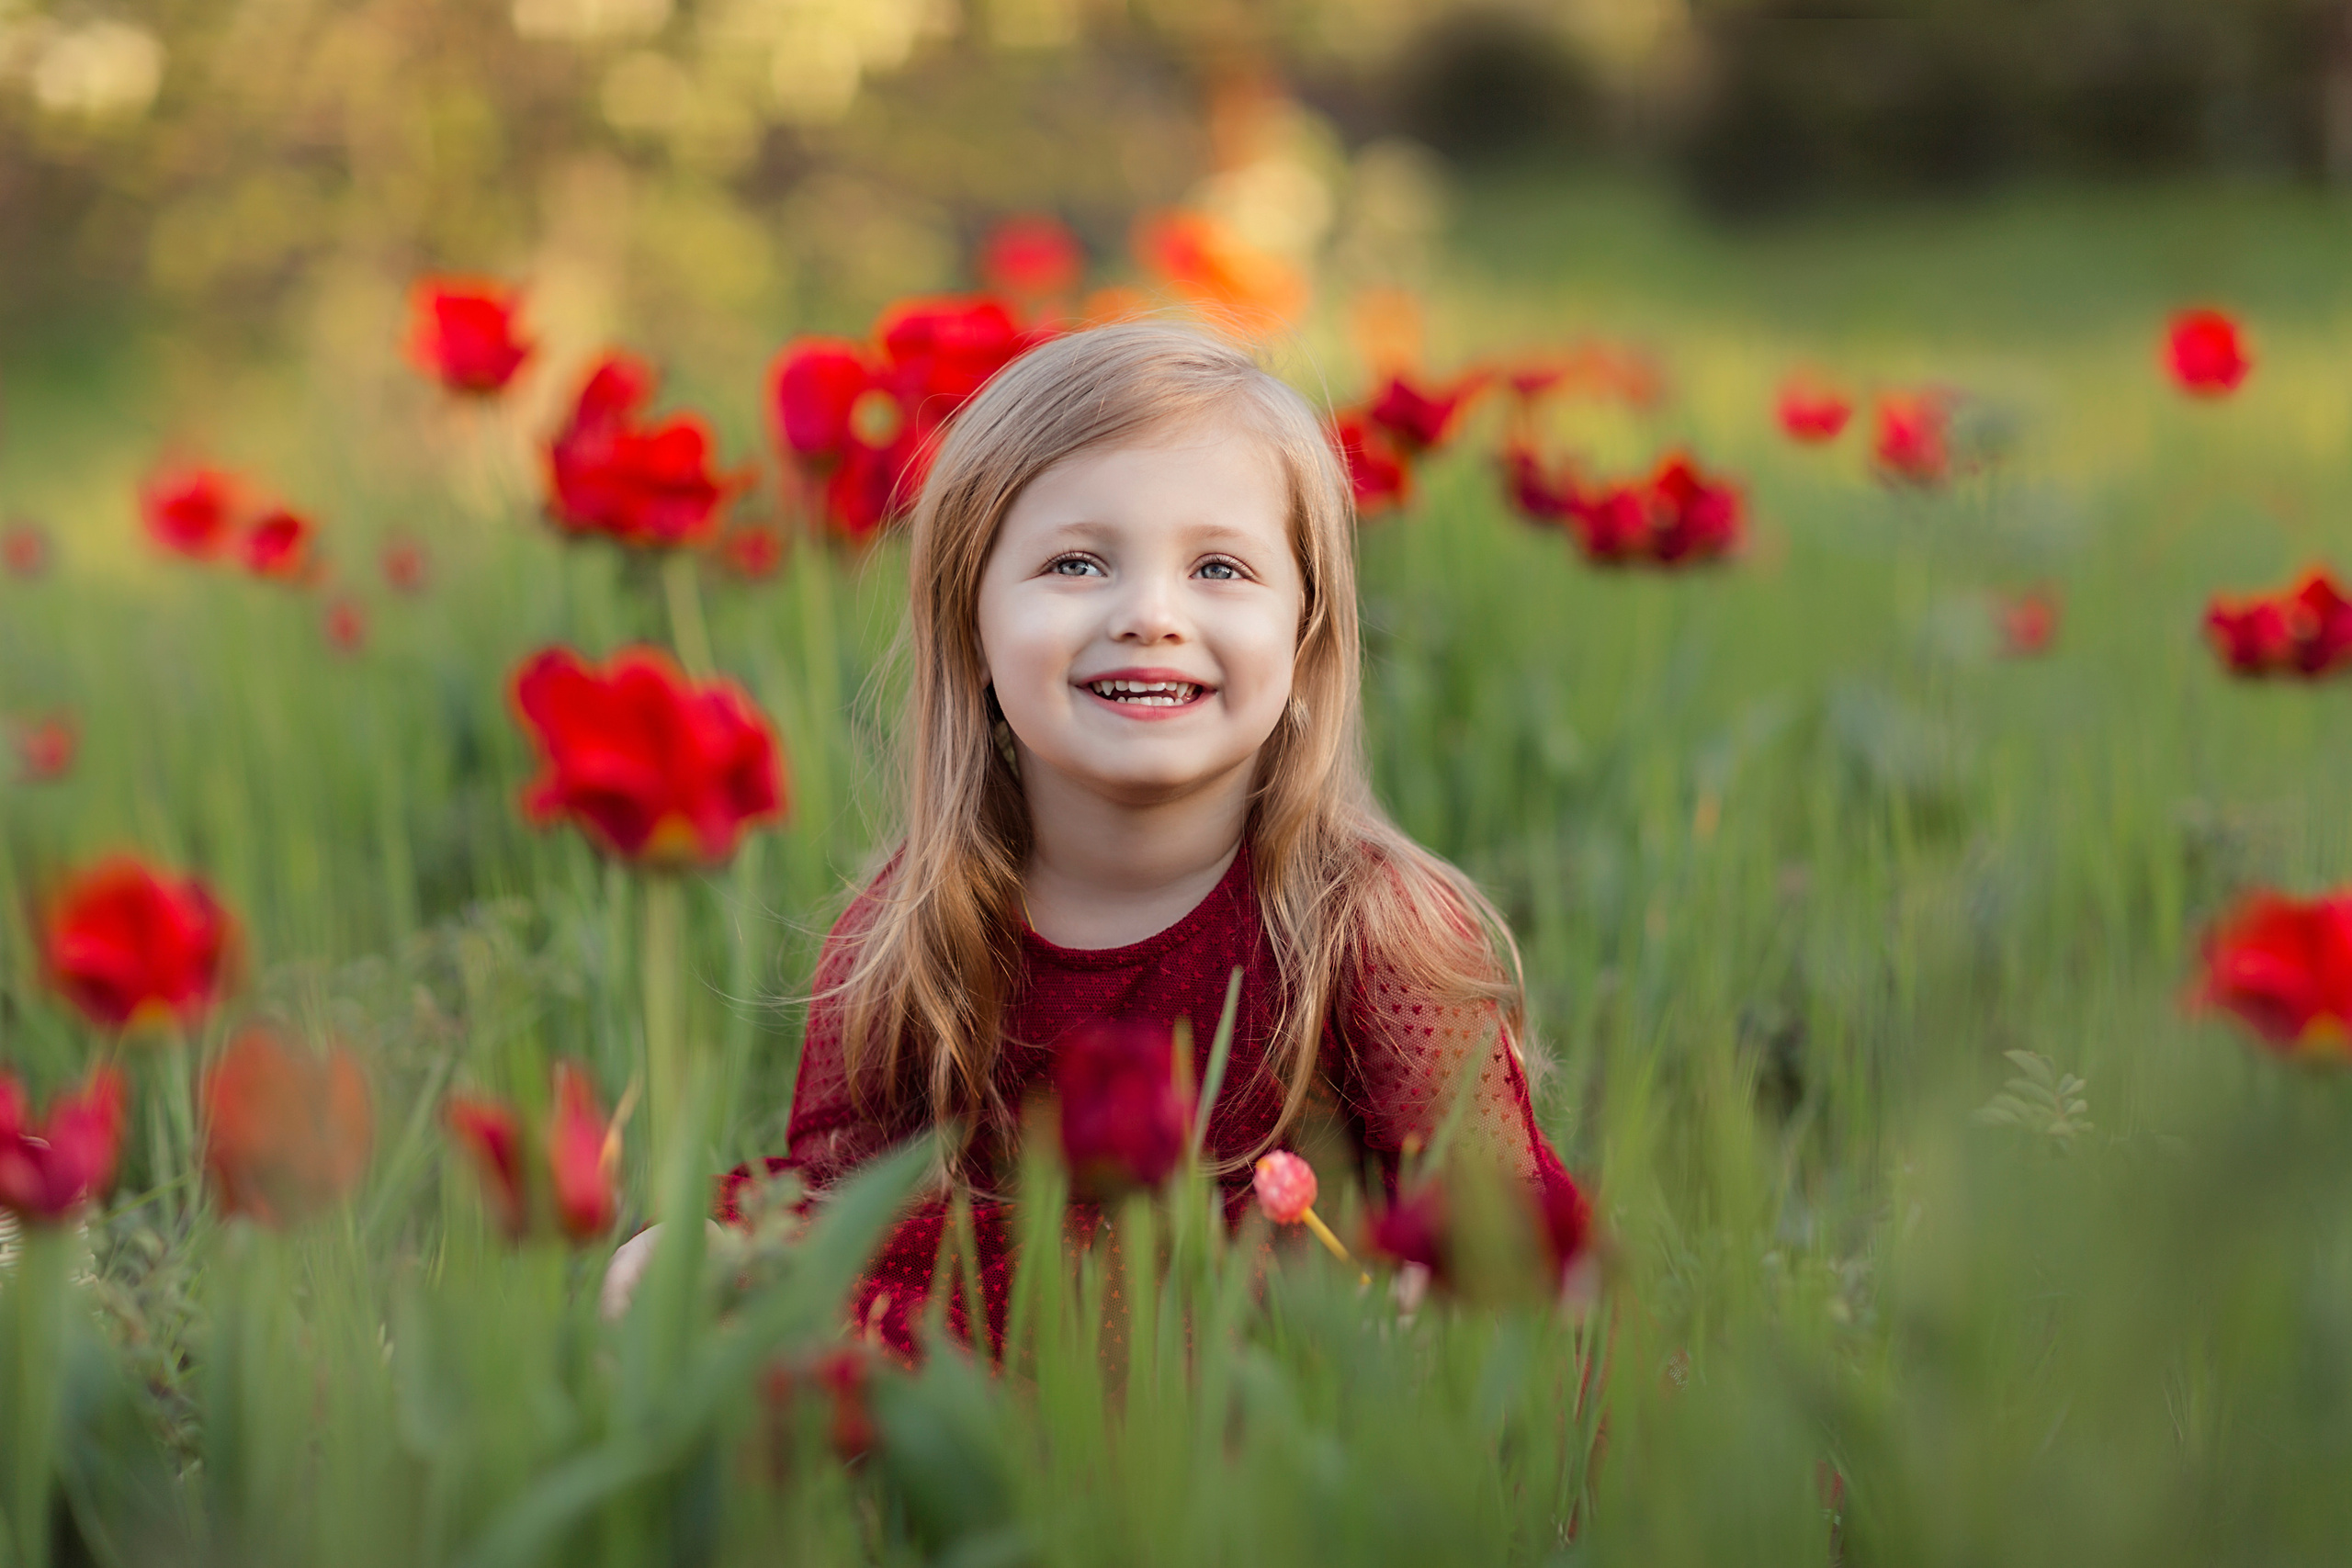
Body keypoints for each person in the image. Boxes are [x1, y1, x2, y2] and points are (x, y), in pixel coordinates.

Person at [604, 321, 1585, 1352]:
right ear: (970, 628)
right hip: (988, 1366)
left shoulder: (1369, 928)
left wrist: (1426, 1308)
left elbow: (1509, 1235)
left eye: (1218, 568)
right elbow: (841, 1215)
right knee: (665, 1274)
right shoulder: (913, 932)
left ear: (1305, 636)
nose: (1150, 614)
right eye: (1075, 563)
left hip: (1263, 1384)